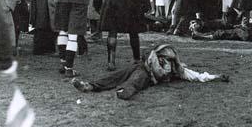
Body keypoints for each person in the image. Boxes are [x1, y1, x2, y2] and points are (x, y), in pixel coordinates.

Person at [71, 44, 229, 100]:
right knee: (117, 75)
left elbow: (197, 76)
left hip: (147, 74)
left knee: (136, 80)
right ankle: (90, 86)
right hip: (140, 66)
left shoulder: (177, 68)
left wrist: (215, 77)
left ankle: (124, 91)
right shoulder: (155, 55)